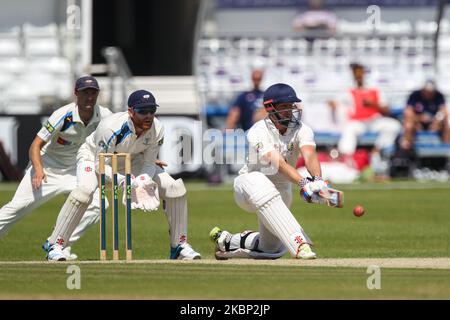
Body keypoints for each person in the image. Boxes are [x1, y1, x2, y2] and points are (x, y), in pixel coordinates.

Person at [45, 89, 201, 261]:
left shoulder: (157, 129)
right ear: (131, 111)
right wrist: (125, 182)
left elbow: (149, 163)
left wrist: (142, 180)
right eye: (142, 112)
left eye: (152, 111)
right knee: (84, 192)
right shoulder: (111, 128)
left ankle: (179, 246)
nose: (148, 116)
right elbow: (101, 165)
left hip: (131, 160)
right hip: (94, 158)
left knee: (174, 188)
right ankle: (55, 244)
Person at [209, 83, 333, 260]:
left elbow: (309, 154)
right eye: (283, 107)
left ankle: (228, 240)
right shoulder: (257, 132)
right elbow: (278, 164)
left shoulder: (302, 129)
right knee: (260, 180)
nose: (289, 111)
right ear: (270, 108)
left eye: (291, 106)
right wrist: (304, 183)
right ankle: (300, 244)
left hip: (281, 191)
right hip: (248, 187)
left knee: (270, 248)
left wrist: (318, 180)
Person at [0, 76, 111, 260]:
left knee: (100, 205)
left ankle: (58, 243)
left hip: (77, 171)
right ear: (76, 94)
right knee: (17, 207)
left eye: (93, 93)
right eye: (85, 93)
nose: (89, 97)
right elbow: (35, 145)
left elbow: (121, 137)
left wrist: (141, 157)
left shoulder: (105, 116)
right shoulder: (63, 115)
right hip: (47, 170)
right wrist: (39, 169)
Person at [328, 63, 401, 174]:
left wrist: (373, 104)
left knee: (394, 126)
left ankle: (377, 151)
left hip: (374, 121)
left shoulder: (374, 89)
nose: (358, 76)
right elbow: (336, 102)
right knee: (349, 129)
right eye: (356, 73)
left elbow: (386, 109)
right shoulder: (348, 90)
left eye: (360, 73)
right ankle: (347, 159)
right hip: (358, 122)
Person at [401, 80, 450, 150]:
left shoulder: (439, 96)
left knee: (446, 123)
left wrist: (437, 120)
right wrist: (418, 118)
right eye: (427, 92)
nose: (429, 94)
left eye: (431, 92)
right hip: (417, 122)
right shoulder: (415, 95)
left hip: (434, 122)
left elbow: (443, 110)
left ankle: (446, 148)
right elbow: (408, 111)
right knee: (408, 123)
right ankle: (407, 147)